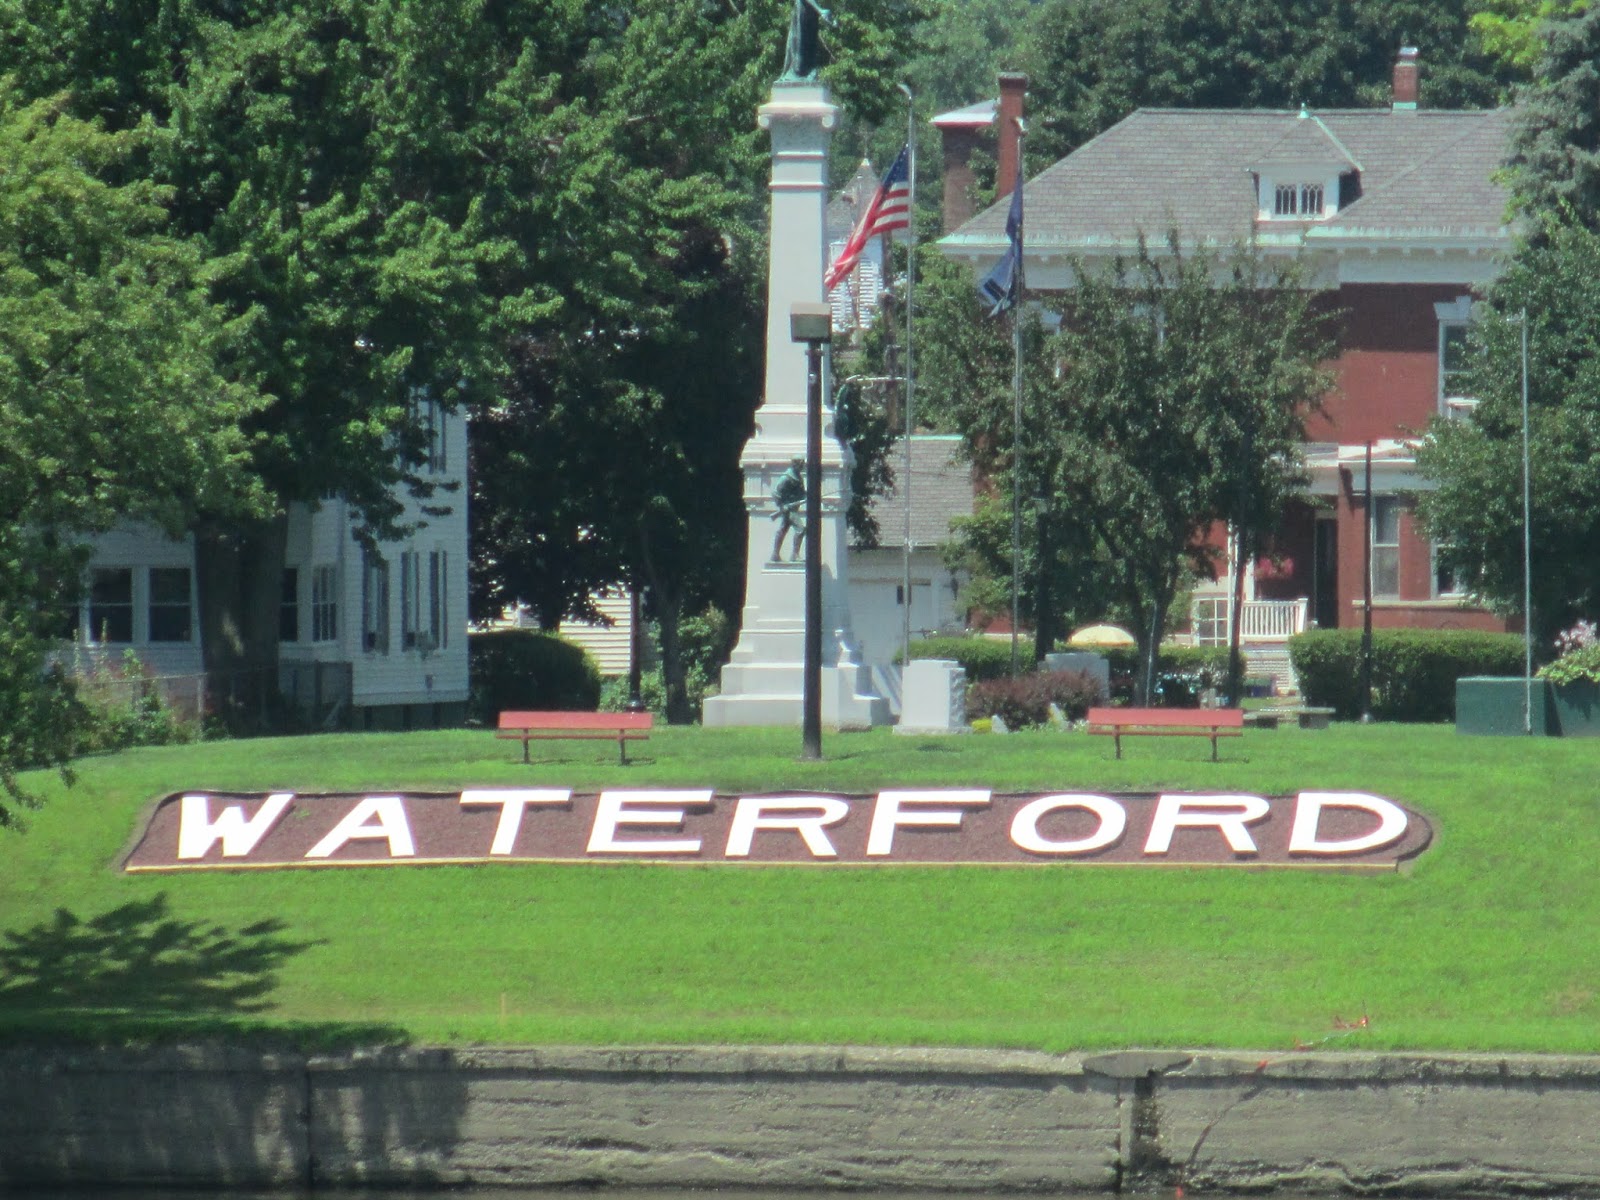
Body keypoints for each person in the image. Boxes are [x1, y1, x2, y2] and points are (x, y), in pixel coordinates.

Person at [770, 458, 807, 562]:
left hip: (794, 507)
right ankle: (795, 555)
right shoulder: (786, 478)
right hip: (789, 509)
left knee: (783, 529)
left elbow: (800, 492)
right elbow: (776, 494)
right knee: (800, 529)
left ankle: (775, 554)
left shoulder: (799, 477)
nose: (802, 466)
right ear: (795, 464)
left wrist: (807, 495)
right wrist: (782, 506)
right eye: (801, 464)